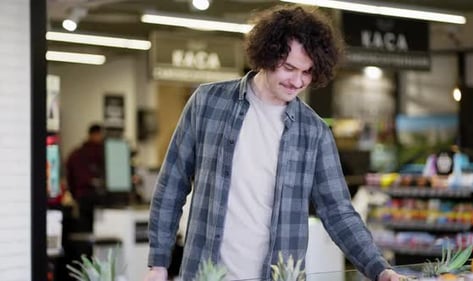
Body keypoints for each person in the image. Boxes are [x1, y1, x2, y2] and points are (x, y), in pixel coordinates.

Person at [144, 5, 404, 281]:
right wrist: (158, 263)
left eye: (307, 72)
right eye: (289, 67)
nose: (297, 81)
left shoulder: (314, 132)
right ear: (266, 55)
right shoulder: (208, 103)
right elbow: (172, 184)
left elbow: (338, 211)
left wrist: (379, 269)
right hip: (205, 273)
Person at [65, 123, 105, 232]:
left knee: (85, 229)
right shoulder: (102, 153)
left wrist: (75, 194)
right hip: (97, 198)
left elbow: (70, 177)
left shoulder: (76, 153)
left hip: (82, 197)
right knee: (100, 230)